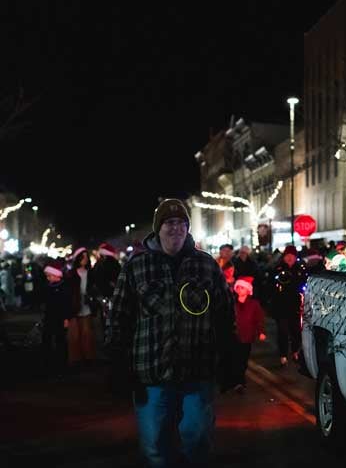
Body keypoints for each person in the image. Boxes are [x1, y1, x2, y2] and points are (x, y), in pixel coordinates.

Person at [108, 198, 237, 468]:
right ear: (158, 228)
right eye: (169, 222)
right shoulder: (136, 266)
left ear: (188, 228)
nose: (176, 228)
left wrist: (230, 358)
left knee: (197, 436)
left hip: (198, 369)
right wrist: (118, 362)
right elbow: (119, 316)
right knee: (155, 444)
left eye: (181, 223)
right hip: (151, 372)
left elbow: (224, 313)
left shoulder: (206, 265)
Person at [270, 245, 307, 366]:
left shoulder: (301, 268)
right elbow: (272, 285)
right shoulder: (278, 268)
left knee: (296, 330)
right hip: (281, 306)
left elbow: (304, 283)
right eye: (287, 255)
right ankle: (283, 354)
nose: (290, 258)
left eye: (292, 255)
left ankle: (295, 351)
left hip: (296, 305)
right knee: (282, 331)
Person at [231, 277, 266, 393]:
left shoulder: (253, 304)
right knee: (235, 358)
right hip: (234, 336)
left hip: (247, 336)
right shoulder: (232, 302)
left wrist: (260, 331)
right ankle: (237, 381)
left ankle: (240, 380)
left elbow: (259, 319)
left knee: (243, 359)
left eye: (242, 288)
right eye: (238, 287)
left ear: (248, 290)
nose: (240, 290)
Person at [66, 247, 96, 367]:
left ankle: (88, 357)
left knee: (87, 333)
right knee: (74, 334)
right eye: (82, 257)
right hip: (74, 306)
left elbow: (93, 288)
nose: (85, 259)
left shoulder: (90, 273)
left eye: (86, 257)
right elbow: (68, 291)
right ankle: (75, 359)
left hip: (86, 305)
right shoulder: (72, 273)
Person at [41, 259, 70, 380]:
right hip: (49, 317)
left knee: (60, 341)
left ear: (56, 275)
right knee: (47, 340)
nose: (47, 278)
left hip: (59, 318)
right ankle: (48, 365)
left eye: (49, 275)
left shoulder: (63, 287)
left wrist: (66, 318)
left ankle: (61, 367)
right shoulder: (48, 287)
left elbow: (66, 304)